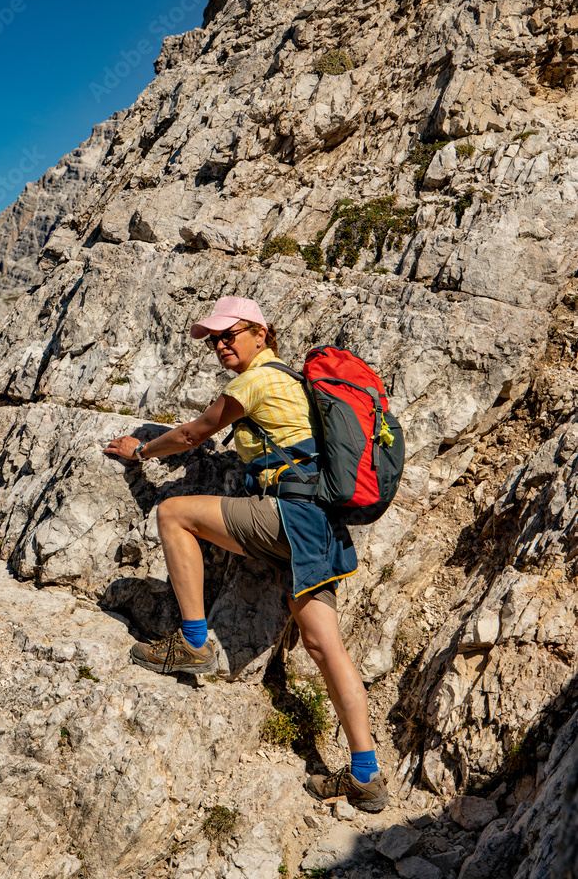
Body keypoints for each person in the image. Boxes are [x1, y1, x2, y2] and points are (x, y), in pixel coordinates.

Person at [103, 296, 388, 812]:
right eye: (213, 340)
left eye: (229, 334)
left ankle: (193, 643)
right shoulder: (288, 382)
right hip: (319, 527)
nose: (219, 345)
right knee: (326, 648)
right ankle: (365, 775)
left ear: (260, 333)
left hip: (287, 515)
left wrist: (140, 452)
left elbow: (195, 433)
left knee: (174, 514)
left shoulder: (257, 378)